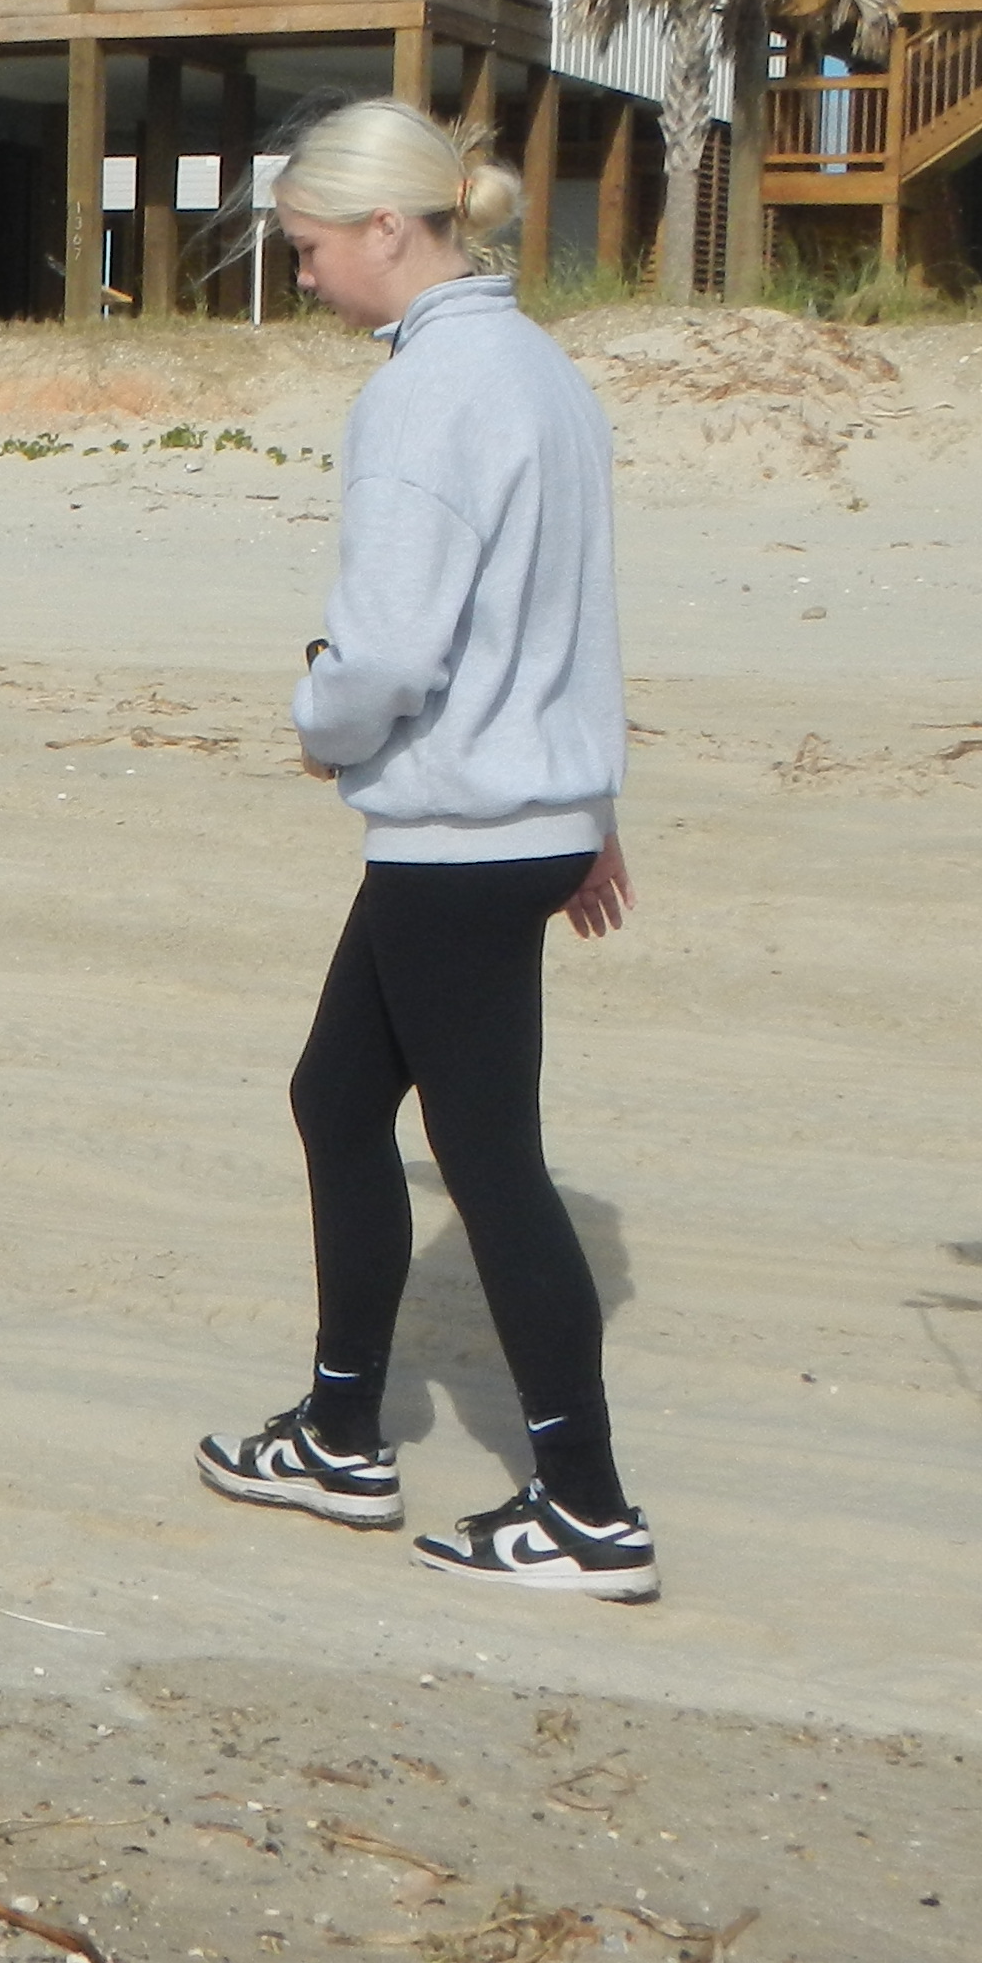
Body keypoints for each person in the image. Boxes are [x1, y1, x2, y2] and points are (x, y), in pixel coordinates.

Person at [192, 102, 649, 1596]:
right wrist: (583, 811)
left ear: (390, 228)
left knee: (489, 1157)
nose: (306, 277)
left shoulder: (429, 390)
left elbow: (389, 651)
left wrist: (317, 718)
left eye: (311, 249)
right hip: (518, 814)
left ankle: (586, 1504)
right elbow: (563, 617)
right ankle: (340, 1431)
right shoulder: (543, 371)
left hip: (463, 827)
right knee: (338, 1097)